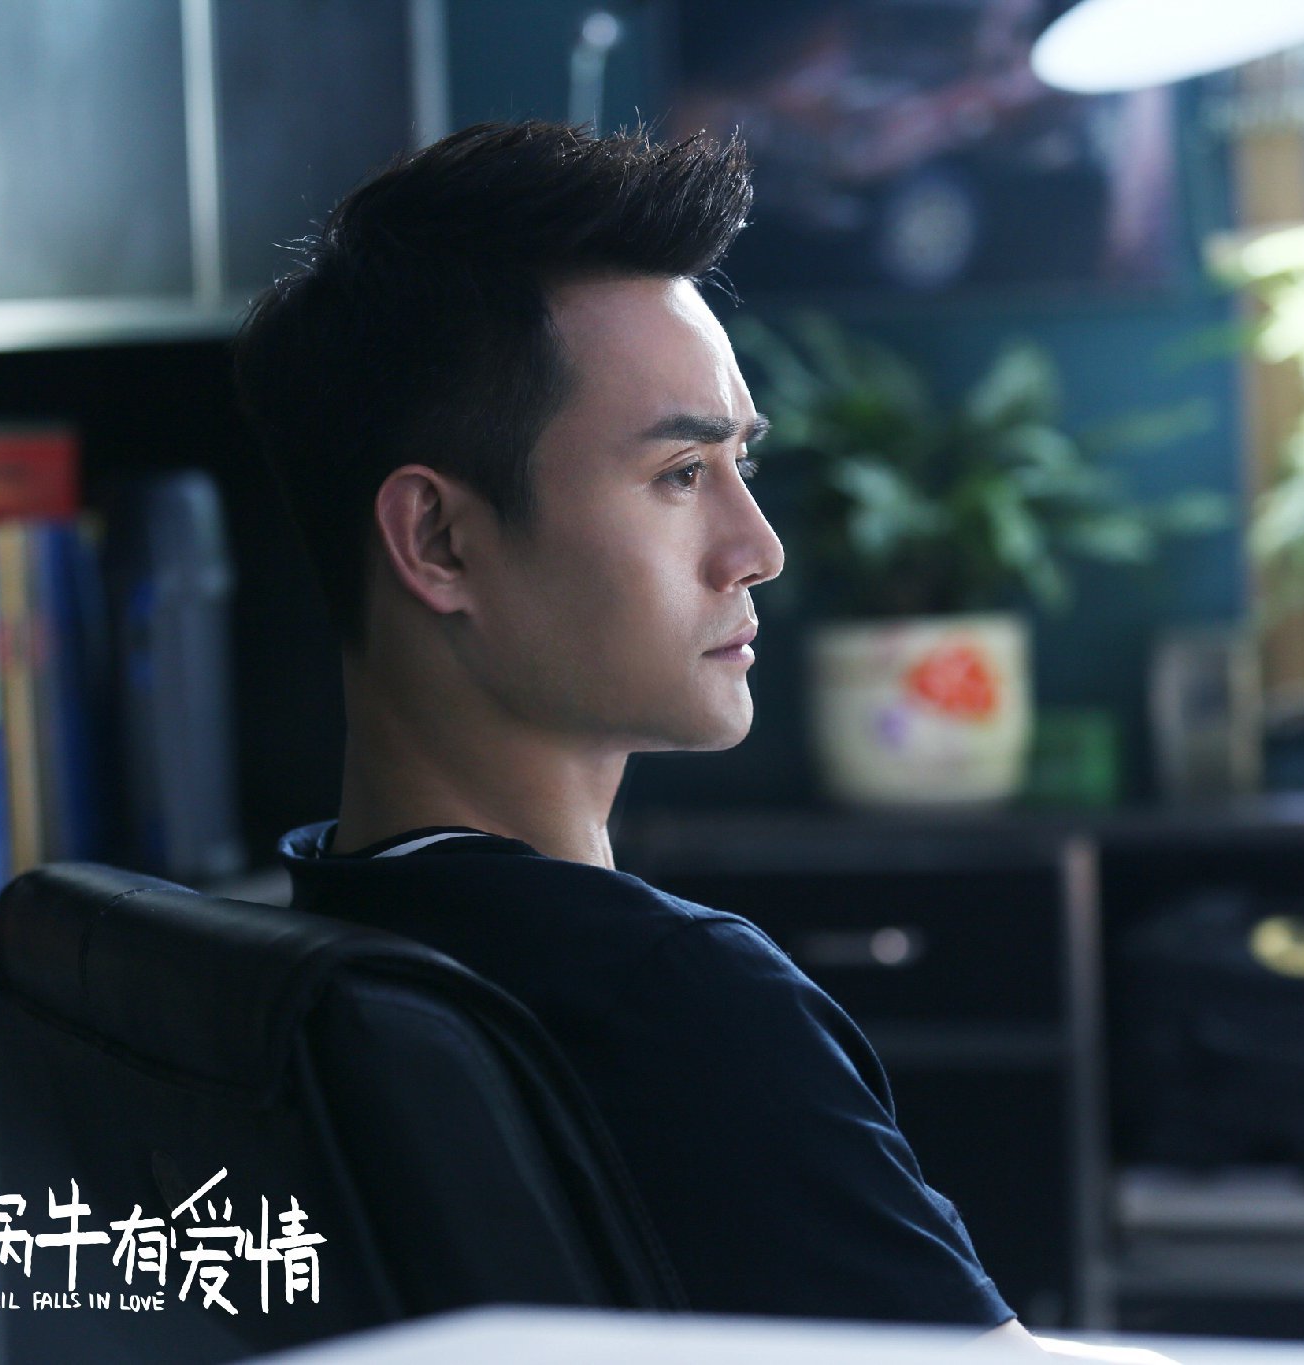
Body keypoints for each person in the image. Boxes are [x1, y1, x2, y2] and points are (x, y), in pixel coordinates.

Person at [231, 119, 1145, 1360]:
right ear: (439, 542)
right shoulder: (676, 1003)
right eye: (677, 474)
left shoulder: (322, 930)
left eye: (738, 462)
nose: (757, 548)